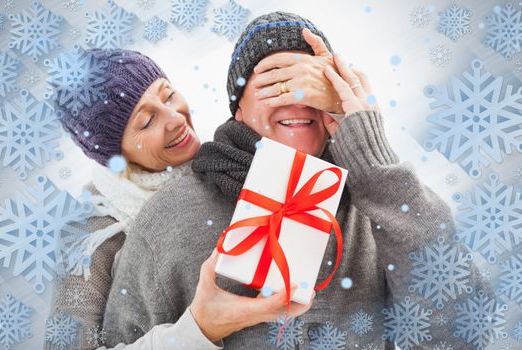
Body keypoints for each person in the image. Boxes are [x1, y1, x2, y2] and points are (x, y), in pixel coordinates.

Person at [103, 12, 487, 349]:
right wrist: (198, 331)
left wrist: (372, 155)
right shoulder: (170, 215)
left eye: (315, 82)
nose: (299, 97)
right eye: (275, 82)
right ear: (238, 108)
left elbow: (460, 334)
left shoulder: (382, 201)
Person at [46, 49, 201, 350]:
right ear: (116, 155)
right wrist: (193, 333)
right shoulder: (92, 231)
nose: (174, 118)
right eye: (146, 122)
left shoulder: (217, 162)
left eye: (168, 96)